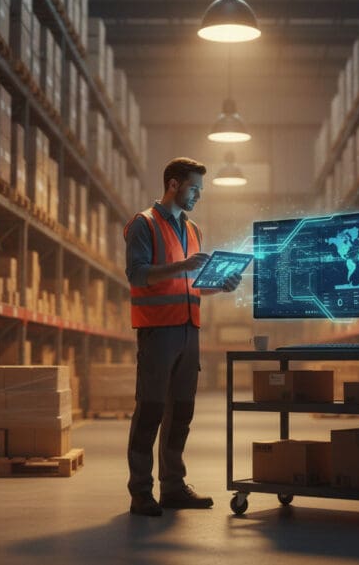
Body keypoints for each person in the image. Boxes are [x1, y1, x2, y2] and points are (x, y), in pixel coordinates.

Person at [123, 157, 243, 517]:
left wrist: (219, 286)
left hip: (189, 331)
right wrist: (182, 266)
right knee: (150, 411)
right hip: (158, 331)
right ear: (173, 184)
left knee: (181, 413)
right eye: (194, 188)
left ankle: (173, 487)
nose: (198, 196)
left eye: (201, 190)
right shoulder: (143, 224)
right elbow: (137, 275)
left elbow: (192, 285)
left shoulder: (193, 230)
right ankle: (140, 492)